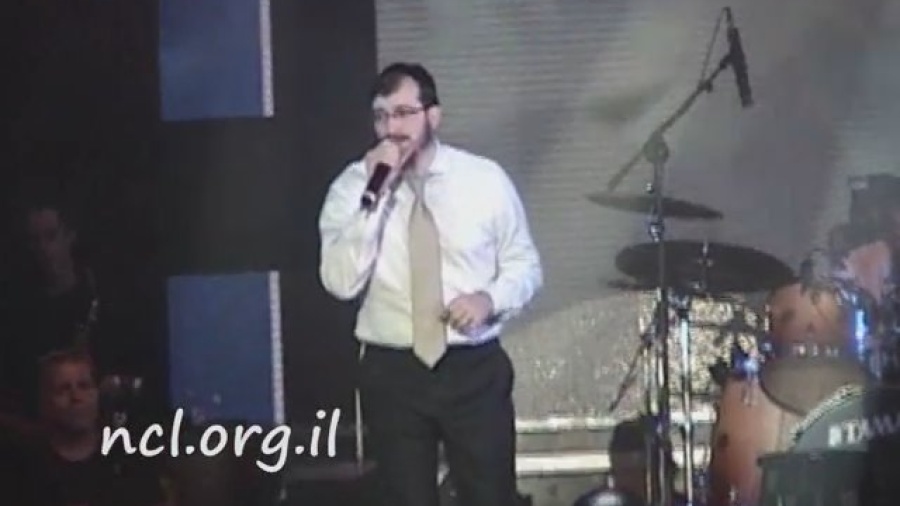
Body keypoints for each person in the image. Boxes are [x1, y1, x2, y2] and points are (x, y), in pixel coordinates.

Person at [317, 62, 543, 506]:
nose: (391, 128)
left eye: (404, 113)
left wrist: (489, 299)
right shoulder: (352, 187)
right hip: (393, 369)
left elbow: (526, 265)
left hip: (471, 366)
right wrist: (375, 198)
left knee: (491, 496)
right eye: (381, 116)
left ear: (433, 116)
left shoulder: (483, 180)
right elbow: (340, 282)